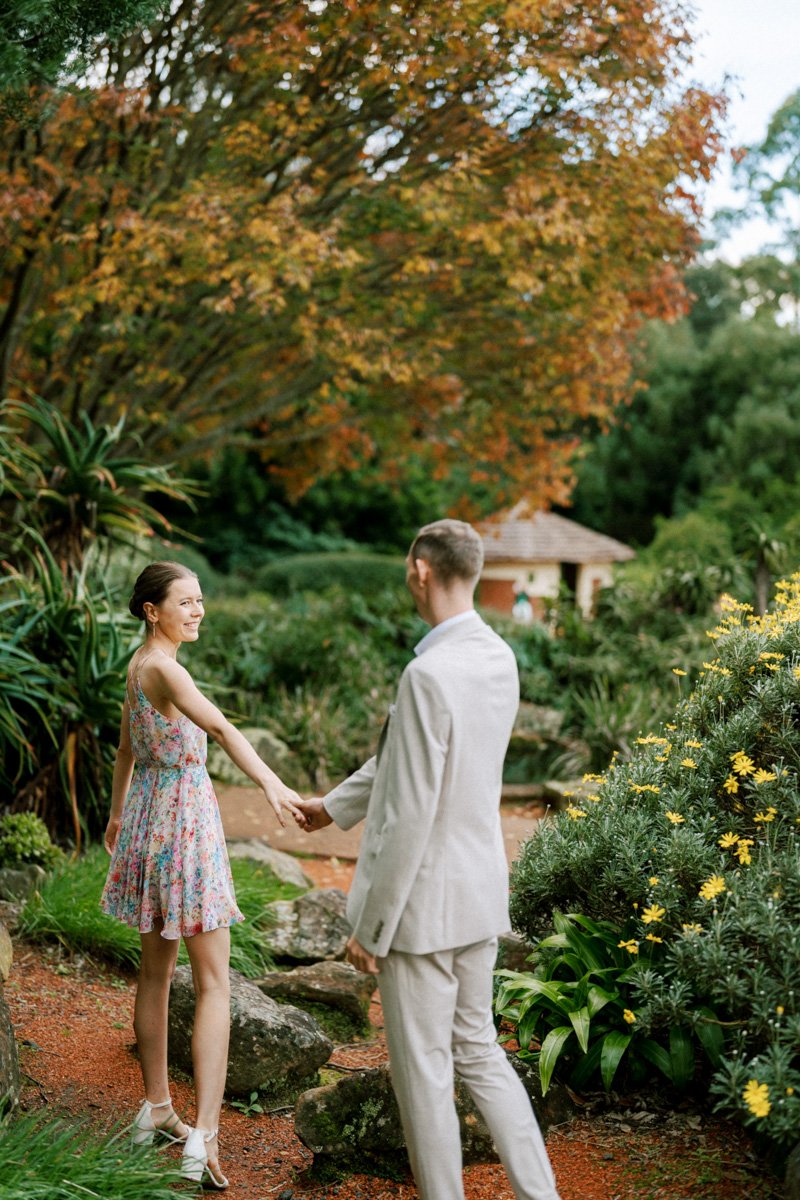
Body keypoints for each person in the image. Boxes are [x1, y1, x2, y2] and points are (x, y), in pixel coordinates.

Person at [295, 520, 561, 1200]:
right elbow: (405, 763)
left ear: (419, 570)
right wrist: (334, 804)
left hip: (420, 913)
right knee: (481, 1054)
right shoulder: (498, 656)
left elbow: (411, 809)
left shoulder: (425, 673)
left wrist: (371, 927)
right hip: (477, 894)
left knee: (425, 1075)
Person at [102, 561, 303, 1190]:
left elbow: (127, 749)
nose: (198, 610)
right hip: (185, 826)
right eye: (185, 602)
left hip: (149, 822)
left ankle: (158, 1107)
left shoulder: (139, 667)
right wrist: (273, 784)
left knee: (157, 975)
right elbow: (218, 724)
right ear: (151, 610)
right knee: (214, 983)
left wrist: (115, 818)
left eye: (201, 600)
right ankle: (206, 1136)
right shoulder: (167, 668)